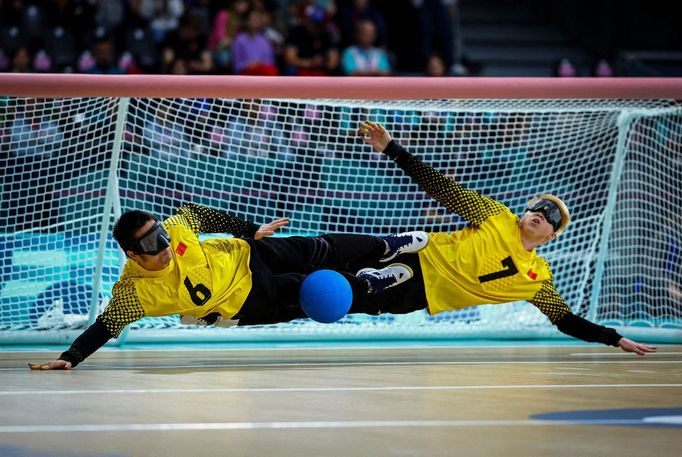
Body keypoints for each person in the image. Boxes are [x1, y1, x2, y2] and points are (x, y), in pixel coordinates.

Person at [354, 121, 657, 356]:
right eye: (540, 206)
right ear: (527, 210)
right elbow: (443, 188)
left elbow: (564, 319)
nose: (543, 213)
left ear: (552, 236)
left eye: (552, 216)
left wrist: (613, 338)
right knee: (323, 256)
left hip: (415, 296)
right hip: (413, 256)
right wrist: (393, 150)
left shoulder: (537, 278)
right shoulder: (496, 216)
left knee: (333, 299)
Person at [29, 203, 429, 369]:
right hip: (244, 303)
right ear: (133, 255)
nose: (165, 245)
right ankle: (366, 286)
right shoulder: (135, 293)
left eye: (162, 234)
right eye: (152, 244)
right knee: (312, 290)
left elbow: (204, 214)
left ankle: (385, 245)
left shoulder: (179, 230)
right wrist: (72, 356)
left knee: (319, 246)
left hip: (249, 255)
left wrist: (252, 229)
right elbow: (106, 325)